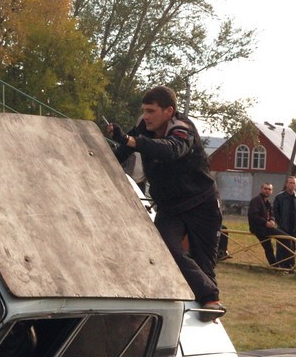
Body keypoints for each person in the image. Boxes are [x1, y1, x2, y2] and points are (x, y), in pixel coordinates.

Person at [108, 86, 225, 320]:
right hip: (170, 208)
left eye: (151, 111)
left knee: (204, 265)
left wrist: (130, 140)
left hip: (202, 205)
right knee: (167, 250)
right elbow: (122, 152)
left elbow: (170, 150)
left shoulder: (183, 130)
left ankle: (210, 304)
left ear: (169, 111)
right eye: (144, 111)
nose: (146, 116)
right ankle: (209, 297)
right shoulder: (144, 125)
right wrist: (104, 158)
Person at [271, 176, 296, 270]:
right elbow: (275, 211)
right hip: (282, 227)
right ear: (286, 184)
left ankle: (291, 266)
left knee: (292, 247)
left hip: (294, 228)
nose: (292, 185)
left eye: (294, 183)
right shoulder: (280, 197)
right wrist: (280, 222)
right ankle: (280, 266)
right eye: (290, 183)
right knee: (281, 247)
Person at [247, 183, 282, 268]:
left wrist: (272, 220)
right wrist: (265, 222)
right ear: (261, 189)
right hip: (259, 228)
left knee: (269, 248)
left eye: (269, 189)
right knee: (285, 238)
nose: (267, 191)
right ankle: (285, 265)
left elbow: (272, 214)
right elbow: (253, 215)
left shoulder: (268, 202)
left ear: (272, 191)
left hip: (266, 227)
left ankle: (276, 267)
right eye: (265, 189)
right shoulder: (256, 200)